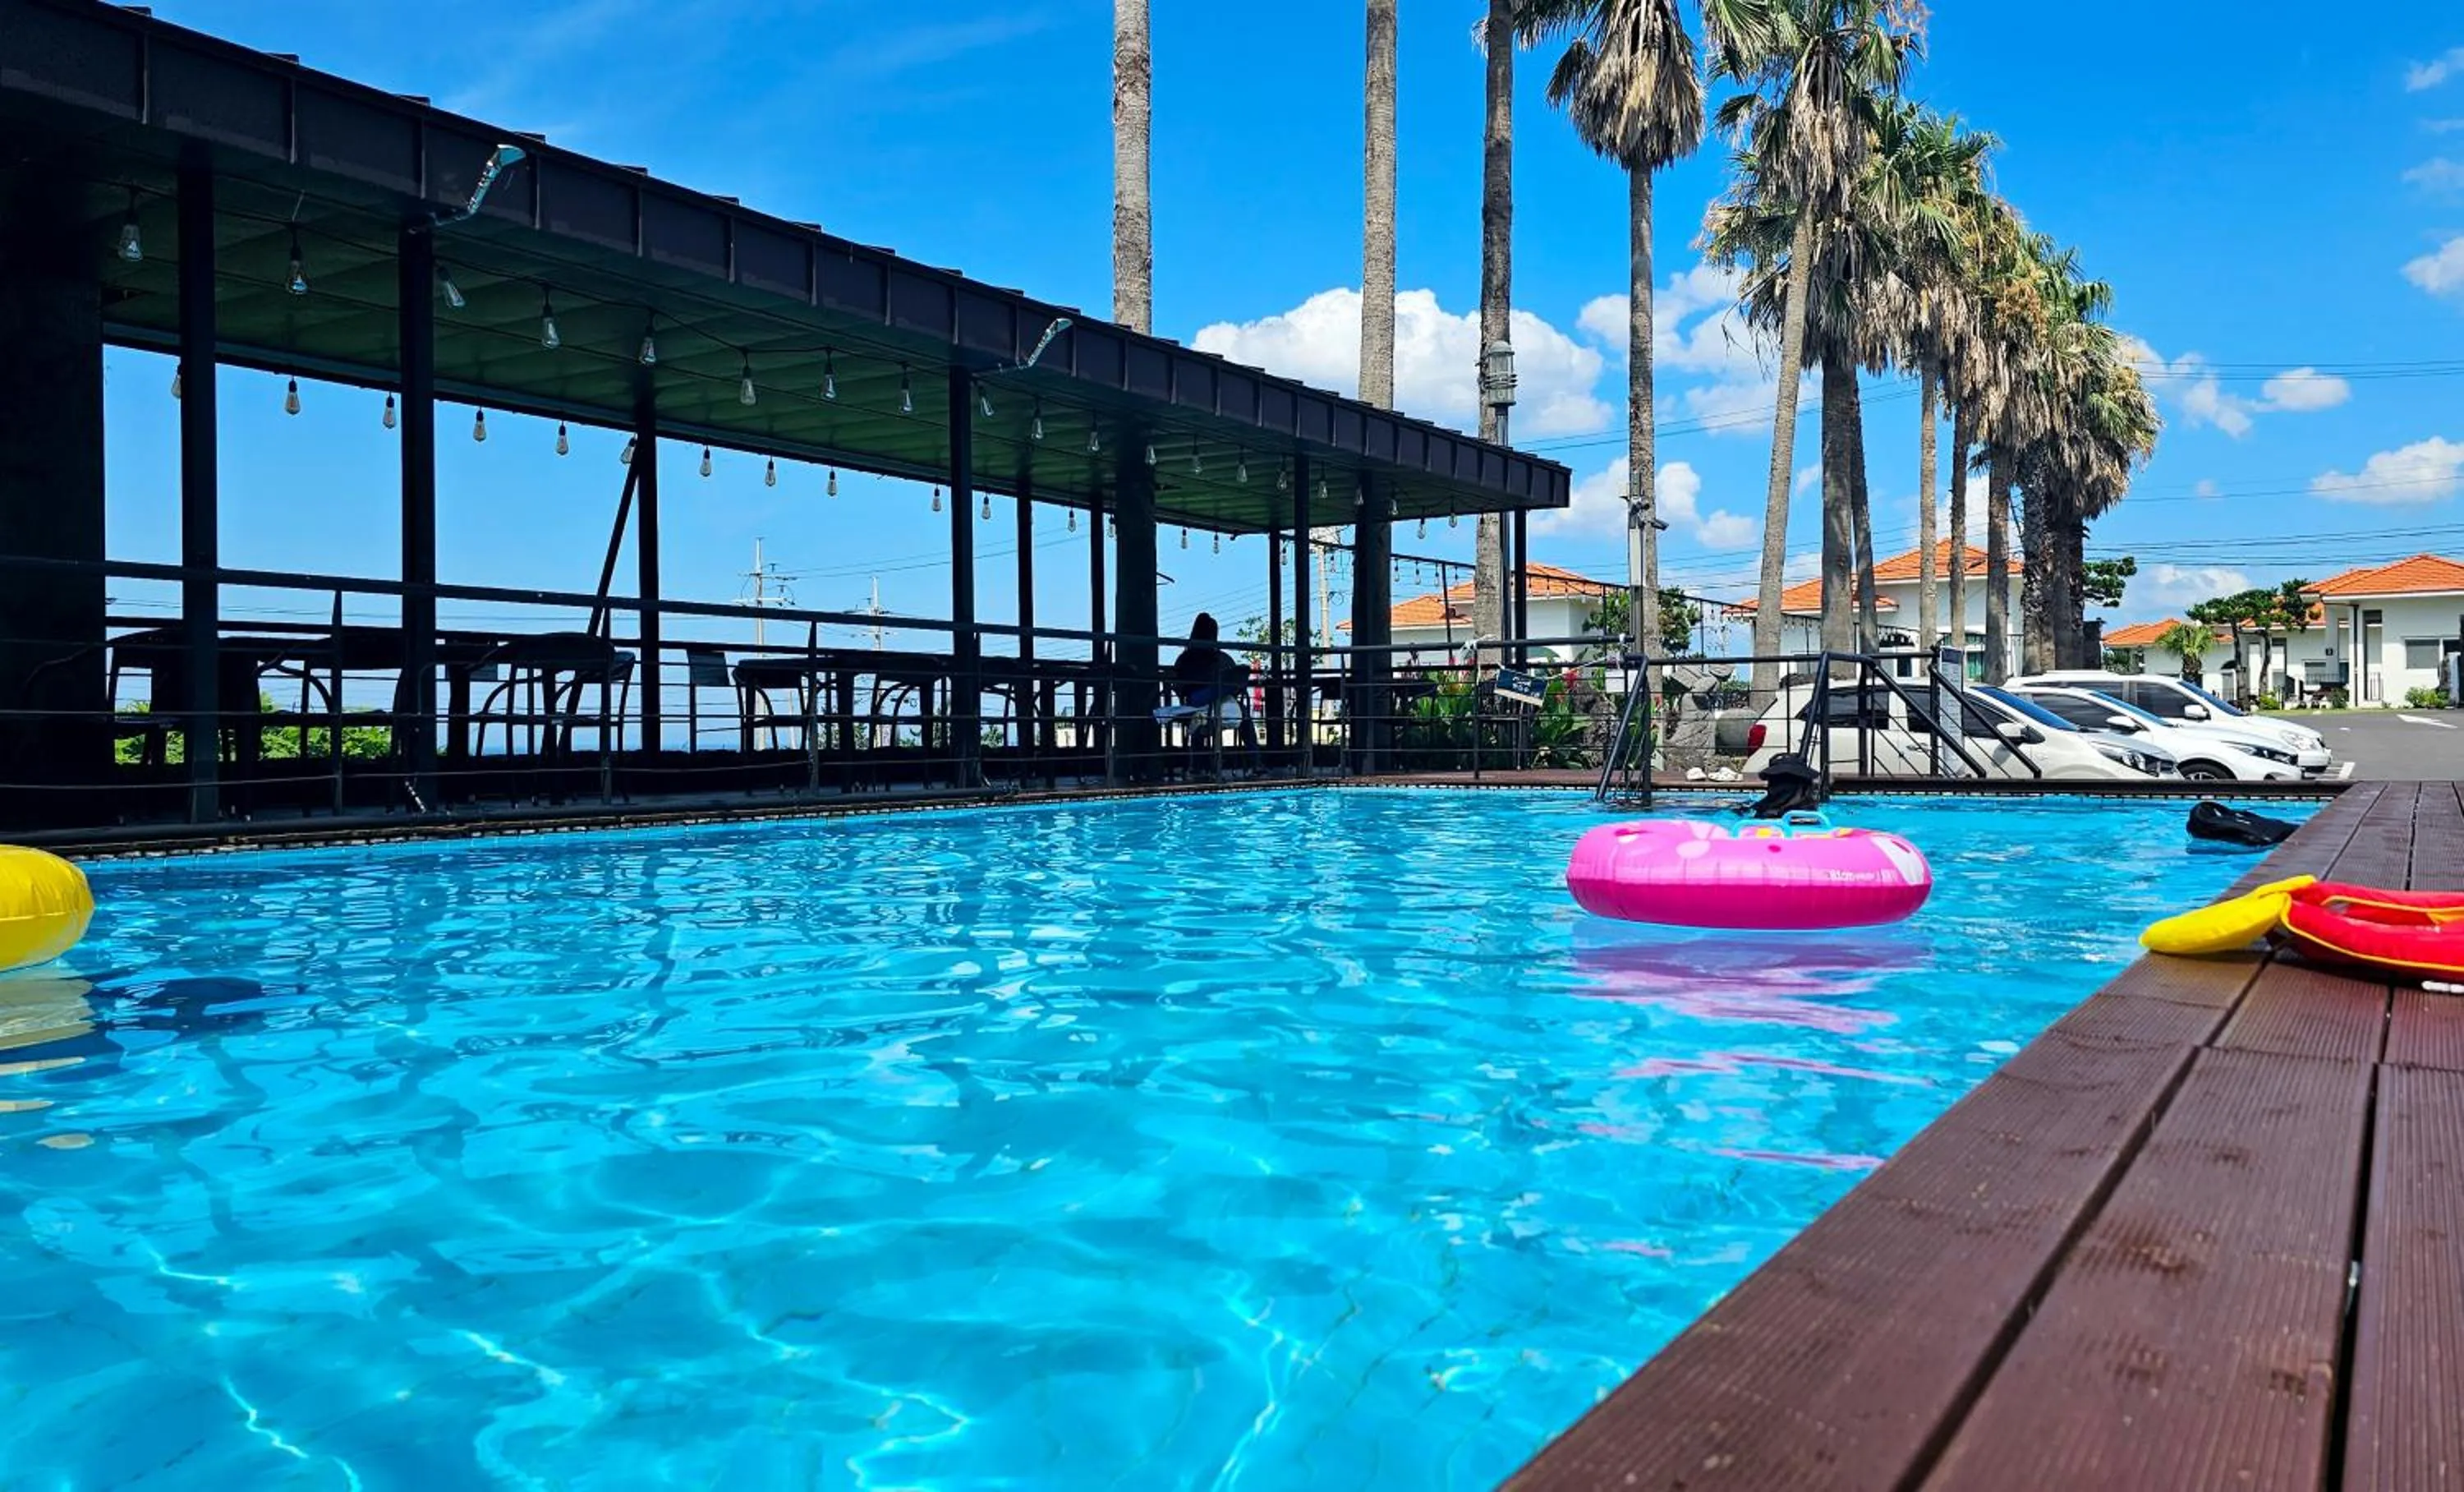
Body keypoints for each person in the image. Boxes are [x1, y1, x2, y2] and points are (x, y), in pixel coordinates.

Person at [1171, 612, 1259, 751]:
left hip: (1194, 707)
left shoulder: (1184, 659)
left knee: (1198, 721)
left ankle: (1196, 765)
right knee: (1244, 714)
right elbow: (1235, 685)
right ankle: (1255, 761)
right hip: (1223, 706)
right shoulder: (1222, 658)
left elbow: (1177, 685)